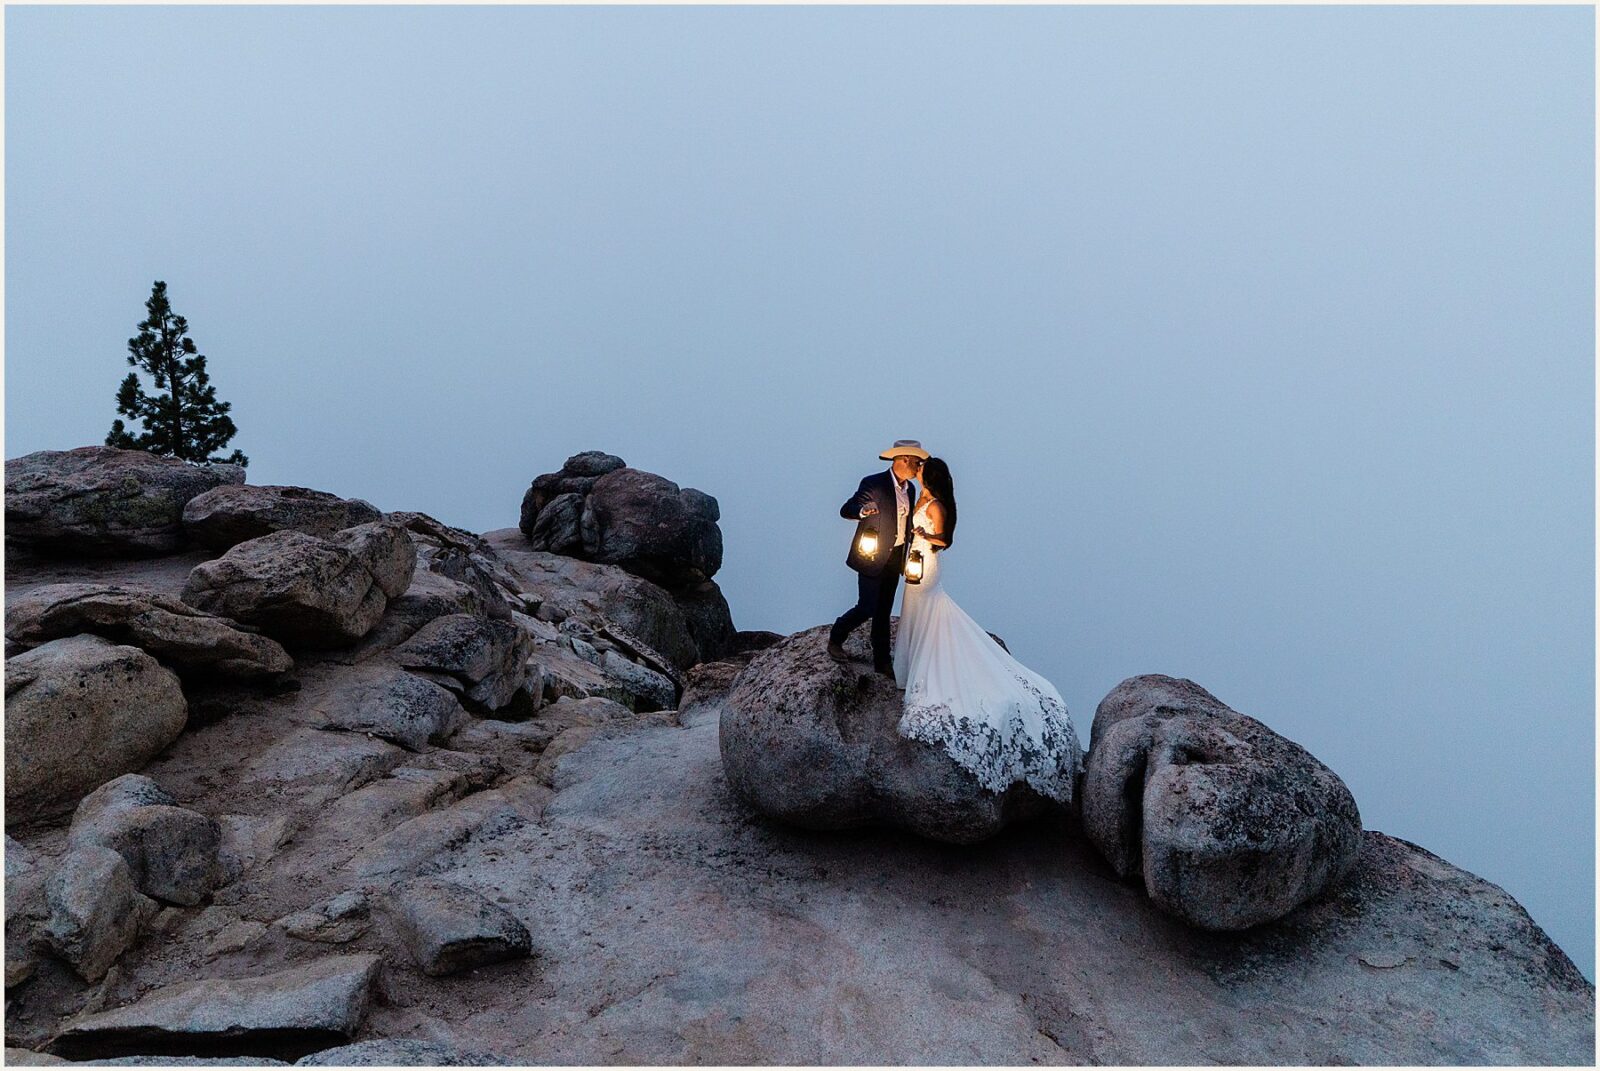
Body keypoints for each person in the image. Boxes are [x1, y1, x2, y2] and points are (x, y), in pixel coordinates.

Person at [892, 456, 1082, 801]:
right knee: (912, 609)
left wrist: (923, 534)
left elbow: (944, 540)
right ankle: (909, 656)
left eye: (921, 470)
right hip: (913, 562)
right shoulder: (921, 497)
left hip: (927, 562)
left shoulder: (936, 506)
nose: (917, 471)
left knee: (927, 607)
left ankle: (926, 659)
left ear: (929, 478)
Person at [829, 439, 927, 677]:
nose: (919, 468)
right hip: (871, 556)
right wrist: (863, 511)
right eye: (917, 463)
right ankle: (836, 636)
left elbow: (904, 522)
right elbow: (847, 509)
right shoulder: (874, 483)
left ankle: (882, 661)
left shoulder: (910, 490)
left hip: (896, 557)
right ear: (904, 459)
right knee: (867, 606)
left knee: (883, 610)